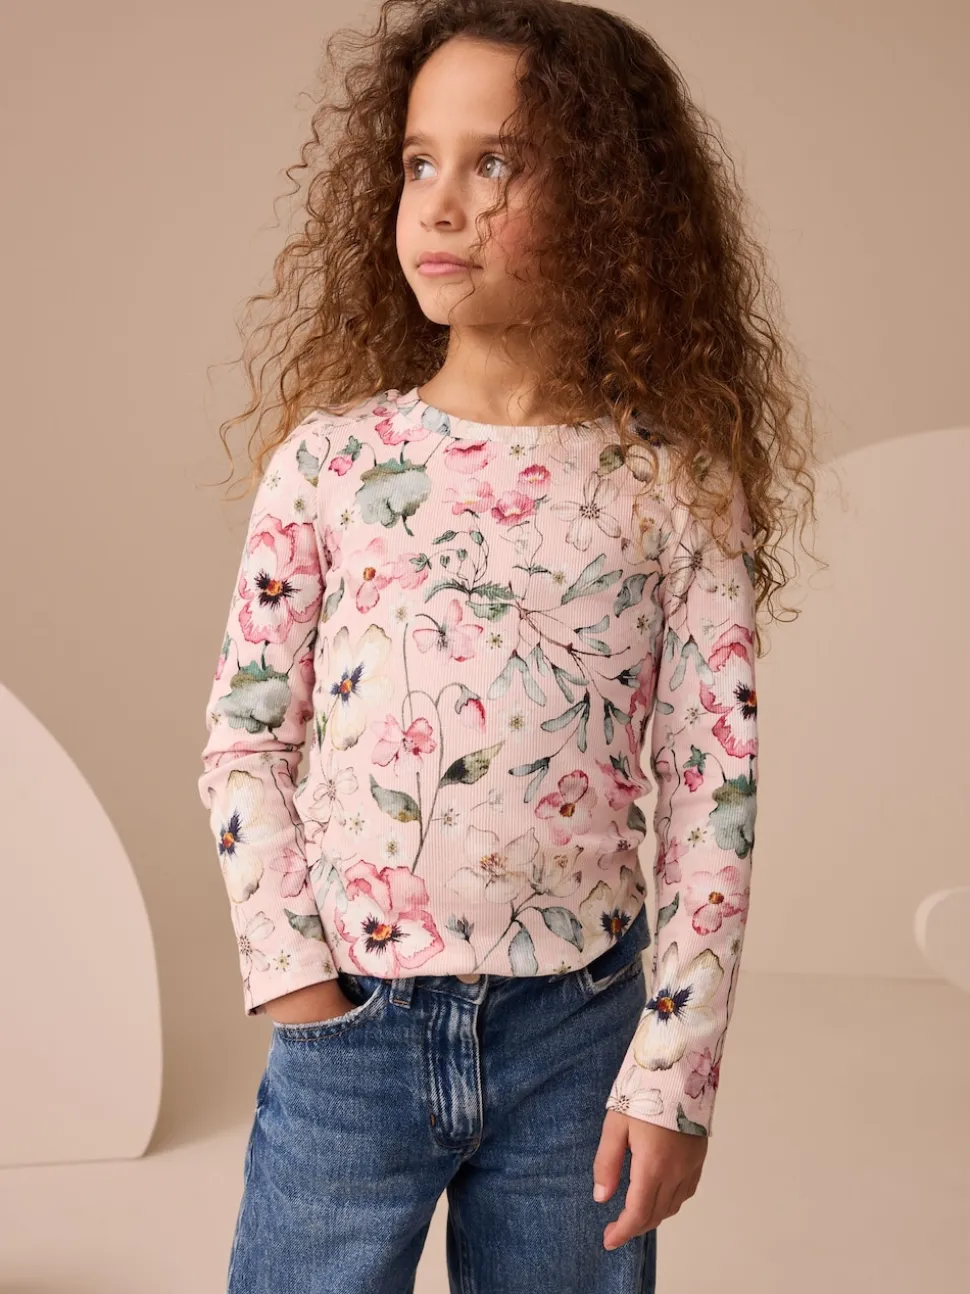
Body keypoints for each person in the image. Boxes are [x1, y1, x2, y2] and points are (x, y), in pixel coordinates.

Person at [197, 2, 822, 1290]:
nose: (440, 203)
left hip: (577, 1039)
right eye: (419, 161)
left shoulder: (673, 486)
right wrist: (299, 991)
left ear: (608, 201)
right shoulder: (331, 464)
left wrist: (675, 1074)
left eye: (495, 163)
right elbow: (245, 742)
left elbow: (715, 789)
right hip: (352, 1033)